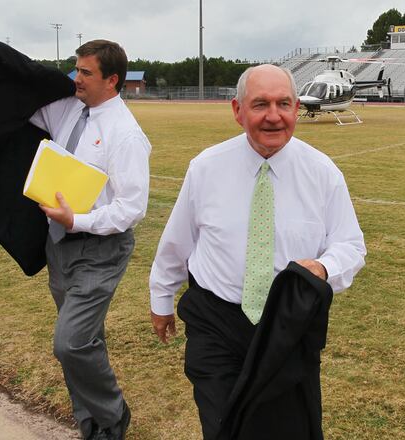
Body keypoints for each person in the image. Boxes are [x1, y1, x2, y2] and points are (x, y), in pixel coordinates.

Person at [148, 64, 366, 439]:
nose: (273, 116)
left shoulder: (323, 173)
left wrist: (325, 267)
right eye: (260, 104)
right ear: (237, 110)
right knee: (223, 427)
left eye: (283, 103)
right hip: (215, 319)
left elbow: (351, 245)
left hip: (286, 327)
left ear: (296, 108)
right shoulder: (206, 168)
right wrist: (161, 297)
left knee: (289, 430)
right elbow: (178, 240)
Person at [30, 40, 151, 440]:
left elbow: (131, 209)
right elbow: (25, 109)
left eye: (85, 72)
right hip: (58, 245)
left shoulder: (125, 134)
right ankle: (93, 429)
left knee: (71, 343)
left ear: (112, 80)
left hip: (100, 250)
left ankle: (113, 419)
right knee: (85, 341)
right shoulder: (68, 109)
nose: (75, 78)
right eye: (75, 70)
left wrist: (78, 220)